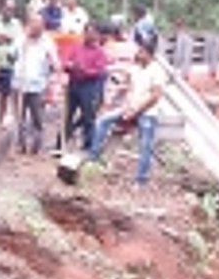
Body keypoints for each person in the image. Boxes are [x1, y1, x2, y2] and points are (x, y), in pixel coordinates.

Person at [89, 32, 169, 185]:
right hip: (129, 107)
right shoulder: (135, 68)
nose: (138, 54)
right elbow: (128, 87)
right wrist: (117, 102)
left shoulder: (157, 71)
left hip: (147, 112)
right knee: (102, 121)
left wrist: (136, 111)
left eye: (141, 52)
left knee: (145, 145)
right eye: (139, 51)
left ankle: (141, 179)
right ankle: (94, 157)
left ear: (149, 54)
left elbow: (155, 97)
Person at [12, 12, 60, 154]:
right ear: (29, 25)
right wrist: (21, 45)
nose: (36, 28)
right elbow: (11, 55)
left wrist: (57, 69)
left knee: (37, 118)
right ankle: (21, 145)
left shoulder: (47, 41)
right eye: (33, 24)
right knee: (19, 117)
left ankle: (36, 146)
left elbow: (55, 61)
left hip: (37, 85)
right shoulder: (21, 38)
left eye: (39, 25)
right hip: (19, 83)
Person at [62, 22, 109, 152]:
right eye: (87, 32)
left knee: (88, 117)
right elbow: (66, 62)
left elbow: (99, 71)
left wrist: (85, 70)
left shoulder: (100, 52)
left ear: (97, 35)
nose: (89, 35)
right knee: (68, 114)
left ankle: (88, 146)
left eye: (92, 33)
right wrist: (70, 66)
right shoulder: (76, 47)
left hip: (88, 86)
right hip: (73, 83)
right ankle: (61, 143)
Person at [0, 0, 22, 127]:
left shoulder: (16, 24)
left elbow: (18, 41)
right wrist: (4, 38)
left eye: (12, 10)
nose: (9, 12)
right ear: (2, 8)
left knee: (7, 94)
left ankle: (4, 120)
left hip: (10, 63)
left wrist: (4, 38)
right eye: (7, 9)